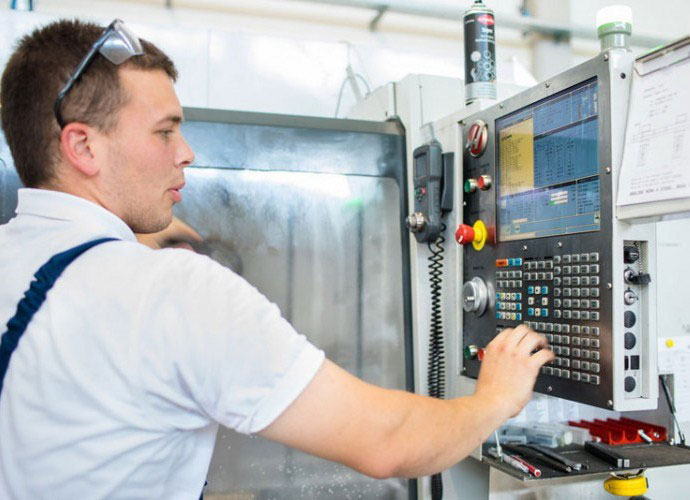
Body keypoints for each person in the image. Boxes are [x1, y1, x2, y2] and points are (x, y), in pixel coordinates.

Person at [0, 19, 554, 499]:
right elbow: (387, 443)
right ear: (83, 147)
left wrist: (131, 241)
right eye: (164, 131)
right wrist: (495, 398)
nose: (185, 152)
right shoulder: (173, 292)